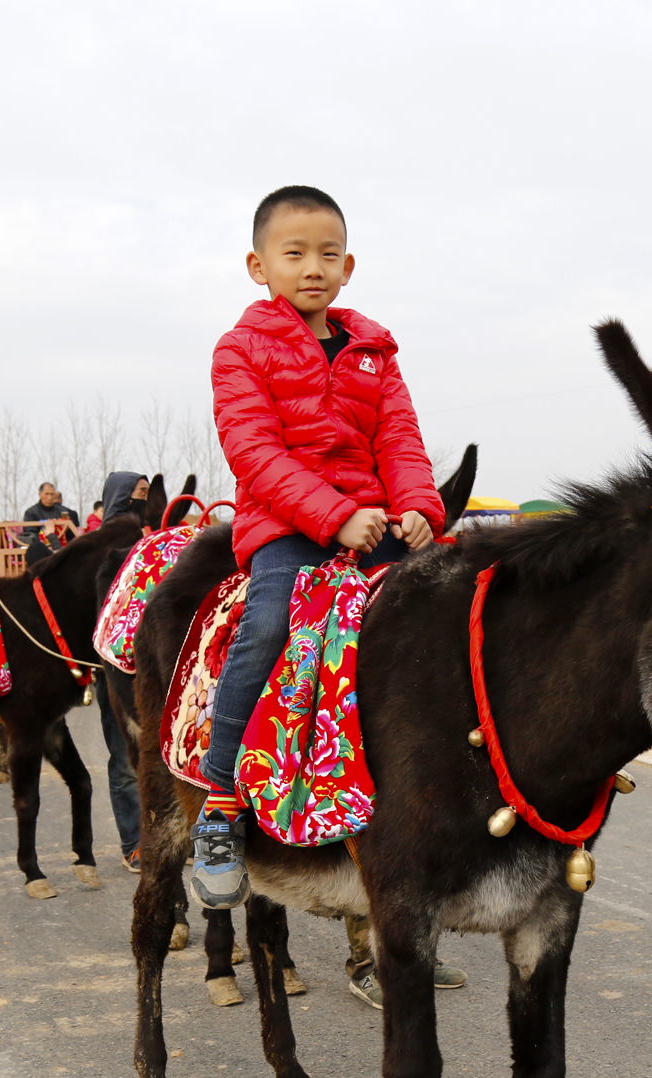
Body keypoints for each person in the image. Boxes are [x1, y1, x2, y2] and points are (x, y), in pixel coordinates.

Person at [188, 186, 446, 936]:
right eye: (294, 253)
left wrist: (420, 509)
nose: (312, 268)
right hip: (286, 527)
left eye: (327, 254)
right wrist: (335, 517)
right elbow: (255, 452)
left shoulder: (374, 351)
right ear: (257, 264)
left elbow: (399, 439)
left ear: (349, 265)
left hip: (378, 525)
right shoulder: (240, 349)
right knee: (267, 626)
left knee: (451, 623)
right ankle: (220, 797)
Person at [93, 470, 153, 870]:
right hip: (114, 670)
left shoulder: (155, 543)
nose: (143, 501)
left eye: (147, 494)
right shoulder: (99, 551)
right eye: (139, 494)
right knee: (124, 759)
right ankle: (134, 842)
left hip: (155, 667)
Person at [22, 482, 80, 548]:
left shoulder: (63, 511)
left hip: (61, 548)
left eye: (52, 494)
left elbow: (71, 535)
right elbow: (31, 535)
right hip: (41, 548)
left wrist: (66, 528)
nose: (49, 498)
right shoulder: (31, 512)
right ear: (40, 494)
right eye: (46, 494)